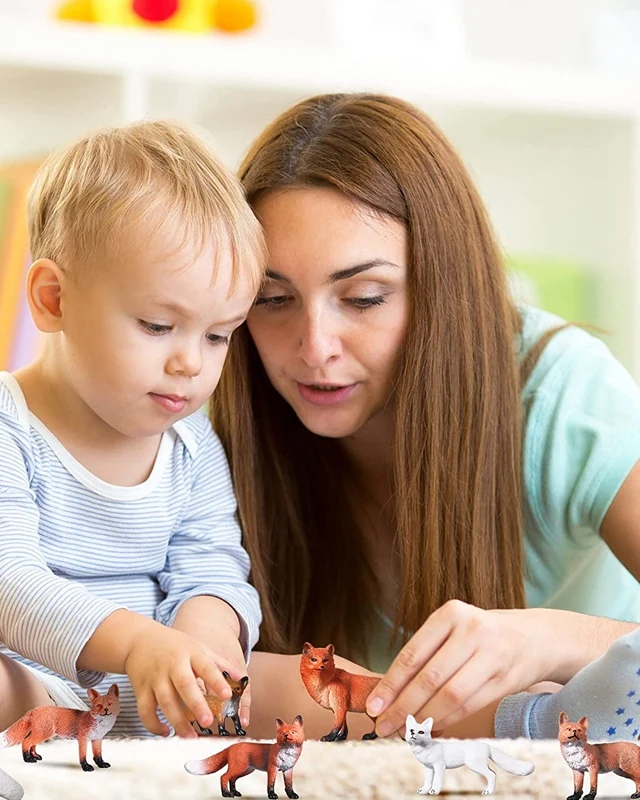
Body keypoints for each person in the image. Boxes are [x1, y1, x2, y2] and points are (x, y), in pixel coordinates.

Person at [214, 93, 640, 741]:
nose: (314, 345)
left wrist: (554, 638)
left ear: (443, 285)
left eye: (363, 297)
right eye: (273, 299)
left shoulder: (563, 394)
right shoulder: (225, 410)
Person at [0, 120, 266, 743]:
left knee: (299, 678)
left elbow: (212, 570)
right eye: (156, 325)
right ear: (53, 299)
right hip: (29, 697)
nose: (191, 364)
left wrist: (204, 648)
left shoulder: (192, 446)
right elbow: (1, 582)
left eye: (218, 334)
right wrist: (139, 642)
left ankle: (408, 714)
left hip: (151, 701)